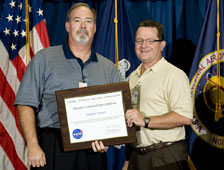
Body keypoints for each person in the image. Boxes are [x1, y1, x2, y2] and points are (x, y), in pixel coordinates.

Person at [14, 3, 121, 170]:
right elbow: (25, 103)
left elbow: (117, 113)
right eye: (77, 20)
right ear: (67, 26)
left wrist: (108, 138)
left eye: (89, 21)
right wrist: (33, 144)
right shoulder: (44, 59)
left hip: (94, 151)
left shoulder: (108, 68)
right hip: (53, 146)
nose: (83, 26)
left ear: (94, 28)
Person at [123, 20, 193, 170]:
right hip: (136, 157)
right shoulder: (133, 77)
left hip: (165, 156)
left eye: (150, 41)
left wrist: (146, 120)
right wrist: (128, 160)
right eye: (139, 40)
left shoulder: (174, 75)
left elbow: (184, 116)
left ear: (162, 45)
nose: (143, 45)